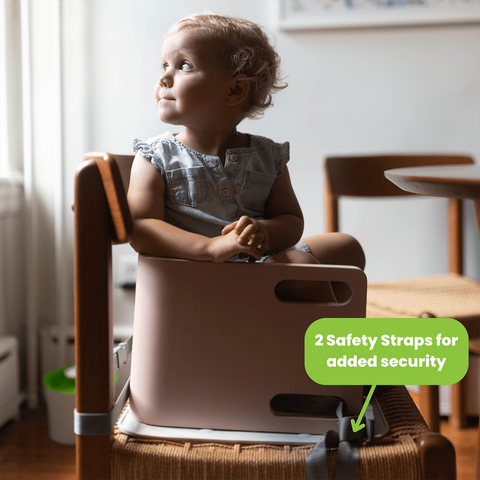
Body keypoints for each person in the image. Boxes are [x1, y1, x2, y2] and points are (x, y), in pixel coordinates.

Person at [127, 12, 365, 301]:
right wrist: (211, 247)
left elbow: (290, 219)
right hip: (202, 277)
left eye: (184, 66)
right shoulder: (155, 156)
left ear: (235, 89)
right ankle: (317, 338)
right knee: (302, 268)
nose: (164, 78)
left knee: (346, 247)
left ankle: (296, 324)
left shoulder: (267, 155)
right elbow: (141, 227)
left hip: (258, 265)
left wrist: (265, 231)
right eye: (165, 65)